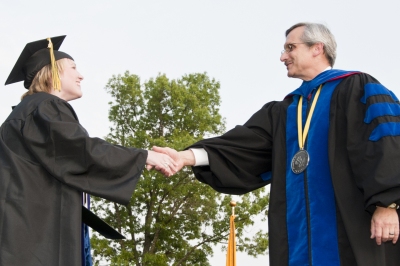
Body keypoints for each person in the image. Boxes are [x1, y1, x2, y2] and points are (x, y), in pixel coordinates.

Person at [153, 22, 400, 265]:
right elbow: (242, 147)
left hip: (353, 231)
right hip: (296, 241)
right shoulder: (284, 111)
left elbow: (386, 145)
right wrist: (186, 157)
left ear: (317, 48)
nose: (283, 56)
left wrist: (387, 204)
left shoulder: (357, 88)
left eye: (290, 47)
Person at [0, 36, 176, 266]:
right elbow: (82, 151)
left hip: (25, 231)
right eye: (73, 68)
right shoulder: (46, 106)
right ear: (52, 72)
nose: (80, 75)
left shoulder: (26, 112)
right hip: (36, 238)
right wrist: (144, 156)